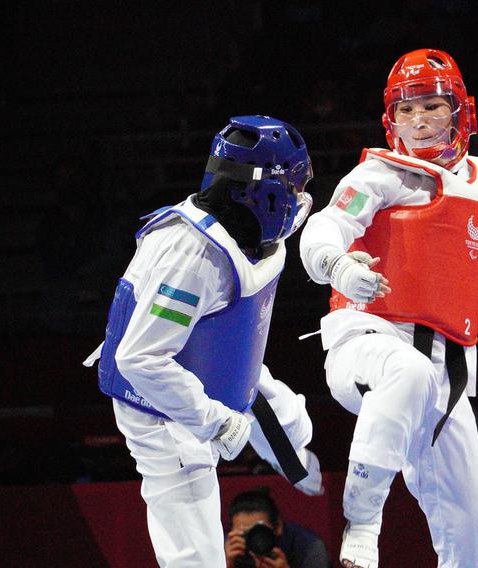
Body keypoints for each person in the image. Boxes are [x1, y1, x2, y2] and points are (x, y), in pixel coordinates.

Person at [299, 48, 478, 567]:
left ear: (460, 112)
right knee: (406, 372)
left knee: (476, 543)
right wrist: (340, 267)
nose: (420, 121)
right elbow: (323, 230)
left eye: (431, 105)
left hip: (448, 378)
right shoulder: (381, 176)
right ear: (391, 119)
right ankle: (362, 522)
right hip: (367, 344)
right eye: (406, 109)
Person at [83, 116, 323, 567]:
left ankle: (294, 459)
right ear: (263, 192)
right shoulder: (192, 259)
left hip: (214, 361)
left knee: (296, 425)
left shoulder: (248, 228)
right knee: (198, 558)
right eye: (292, 187)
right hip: (159, 403)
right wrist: (215, 422)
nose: (299, 199)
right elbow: (140, 359)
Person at [225, 487, 330, 568]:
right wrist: (223, 563)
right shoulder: (227, 550)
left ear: (278, 526)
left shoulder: (309, 548)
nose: (255, 540)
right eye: (245, 534)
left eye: (260, 532)